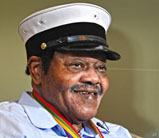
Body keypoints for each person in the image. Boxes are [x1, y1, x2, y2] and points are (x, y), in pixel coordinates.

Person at [0, 3, 132, 138]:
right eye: (77, 65)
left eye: (101, 67)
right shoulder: (7, 126)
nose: (94, 78)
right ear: (37, 70)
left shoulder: (118, 133)